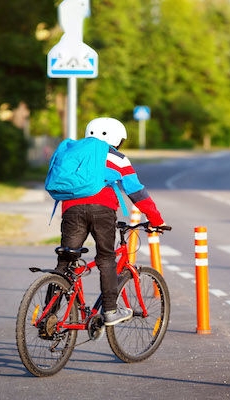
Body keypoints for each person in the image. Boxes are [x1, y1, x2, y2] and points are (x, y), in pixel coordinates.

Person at [55, 117, 166, 326]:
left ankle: (49, 312)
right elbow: (136, 191)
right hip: (102, 211)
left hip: (71, 210)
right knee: (106, 259)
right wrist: (155, 219)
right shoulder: (117, 157)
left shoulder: (74, 152)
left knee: (65, 260)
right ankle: (110, 311)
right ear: (117, 138)